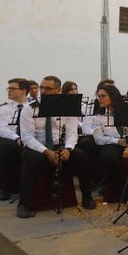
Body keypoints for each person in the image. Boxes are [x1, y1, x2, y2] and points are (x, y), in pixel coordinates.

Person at [16, 75, 95, 218]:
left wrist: (69, 149)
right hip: (36, 146)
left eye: (48, 88)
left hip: (59, 145)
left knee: (81, 156)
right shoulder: (29, 109)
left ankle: (87, 197)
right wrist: (46, 151)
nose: (43, 91)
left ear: (58, 90)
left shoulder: (67, 107)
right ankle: (24, 204)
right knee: (34, 160)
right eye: (42, 87)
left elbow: (72, 133)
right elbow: (27, 137)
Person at [90, 84, 128, 200]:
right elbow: (98, 139)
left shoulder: (127, 110)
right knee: (109, 157)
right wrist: (117, 141)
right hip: (112, 142)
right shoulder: (98, 116)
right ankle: (118, 190)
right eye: (98, 96)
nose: (99, 99)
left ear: (112, 97)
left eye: (103, 96)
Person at [0, 78, 29, 201]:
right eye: (8, 88)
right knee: (7, 148)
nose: (9, 91)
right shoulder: (3, 108)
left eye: (12, 88)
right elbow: (0, 129)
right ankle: (5, 188)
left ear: (23, 91)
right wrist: (17, 138)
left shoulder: (32, 107)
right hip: (8, 139)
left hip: (28, 138)